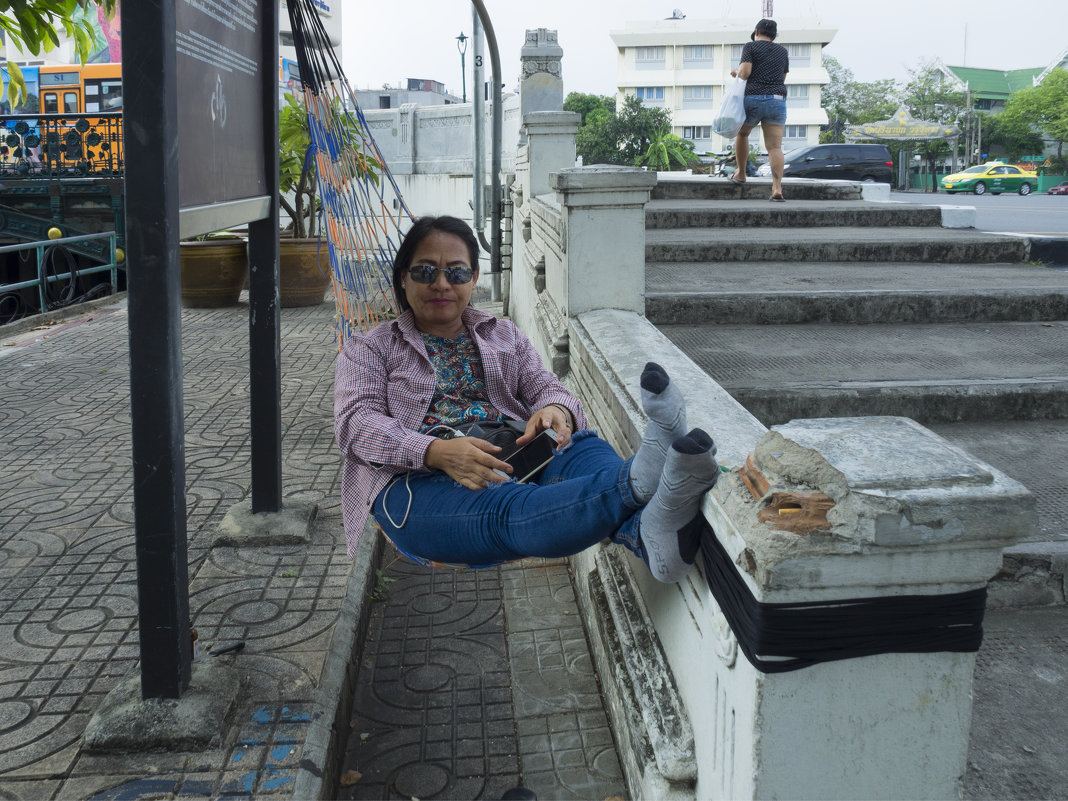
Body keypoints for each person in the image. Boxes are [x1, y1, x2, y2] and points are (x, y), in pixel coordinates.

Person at [334, 215, 721, 582]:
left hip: (515, 451)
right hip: (419, 484)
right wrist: (435, 451)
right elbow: (355, 424)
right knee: (507, 510)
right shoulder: (370, 348)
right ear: (403, 278)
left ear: (473, 278)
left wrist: (554, 409)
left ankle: (652, 542)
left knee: (581, 447)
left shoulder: (502, 335)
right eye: (424, 271)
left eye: (456, 271)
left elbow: (543, 384)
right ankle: (640, 481)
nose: (441, 283)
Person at [729, 18, 789, 202]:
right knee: (775, 147)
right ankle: (777, 188)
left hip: (753, 97)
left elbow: (745, 72)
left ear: (756, 32)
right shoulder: (783, 51)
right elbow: (782, 77)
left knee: (743, 134)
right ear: (774, 35)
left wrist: (735, 72)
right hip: (777, 99)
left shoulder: (751, 47)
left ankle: (740, 173)